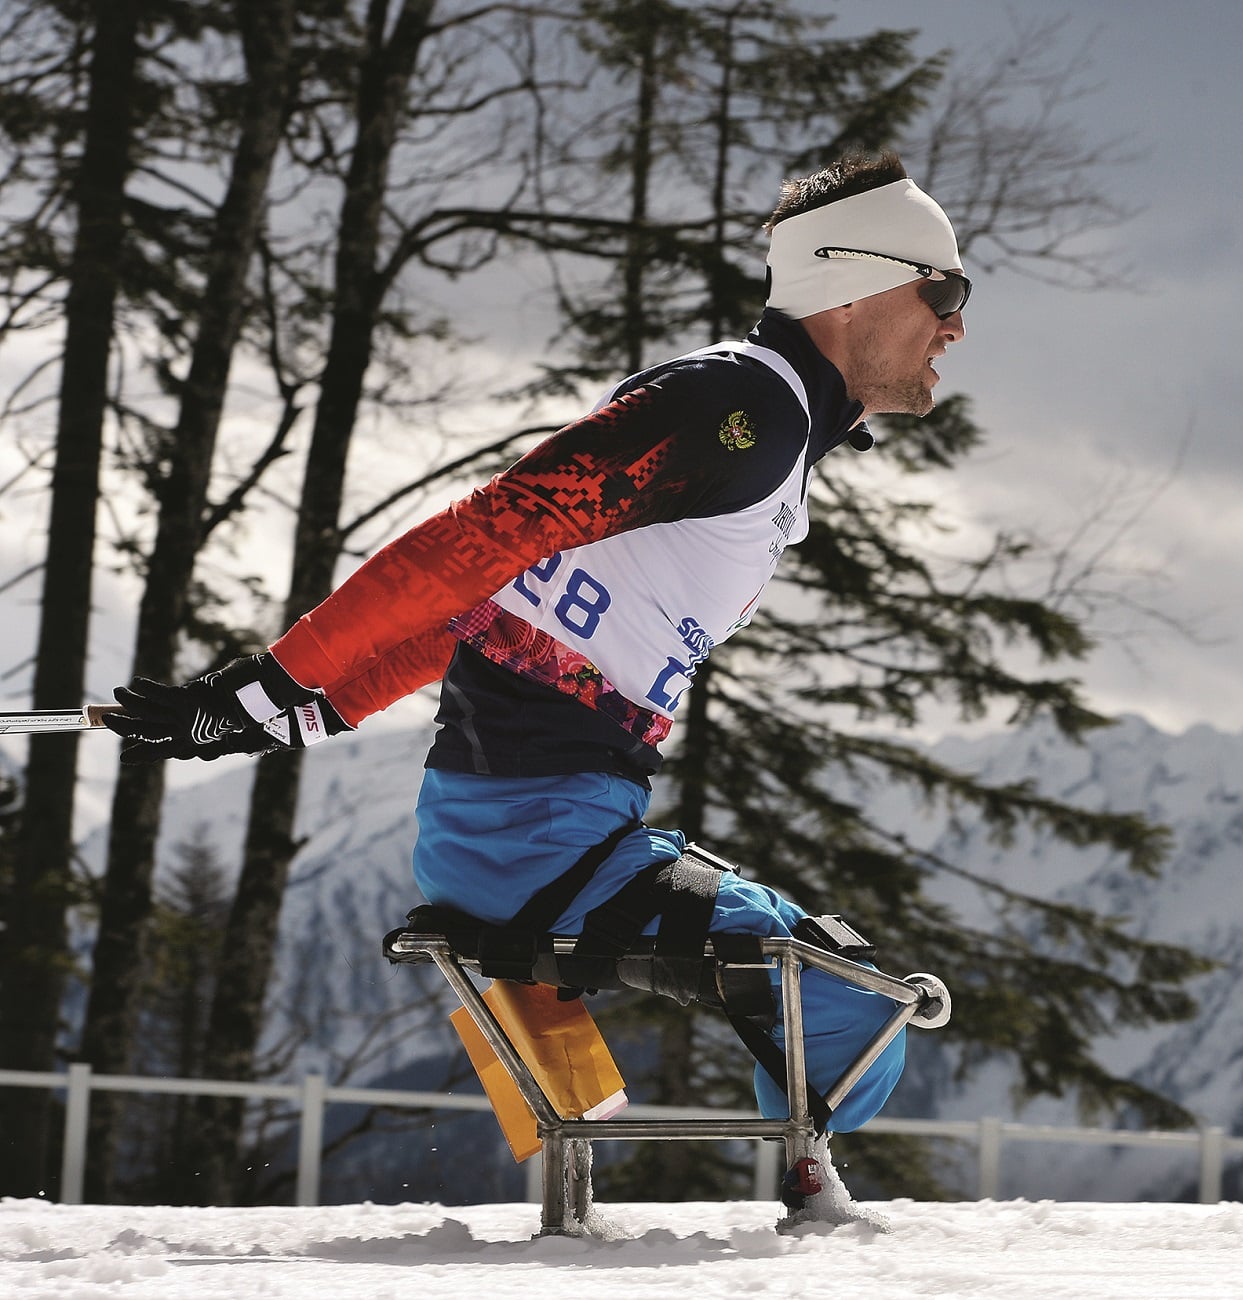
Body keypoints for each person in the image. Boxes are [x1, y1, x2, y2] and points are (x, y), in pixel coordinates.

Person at [106, 151, 970, 1132]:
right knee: (846, 1002)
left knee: (815, 1006)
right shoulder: (743, 414)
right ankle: (801, 1222)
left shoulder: (758, 430)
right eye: (940, 288)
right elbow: (476, 540)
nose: (954, 323)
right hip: (535, 846)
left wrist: (315, 706)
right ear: (851, 287)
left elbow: (505, 604)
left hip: (529, 835)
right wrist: (271, 682)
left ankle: (613, 1166)